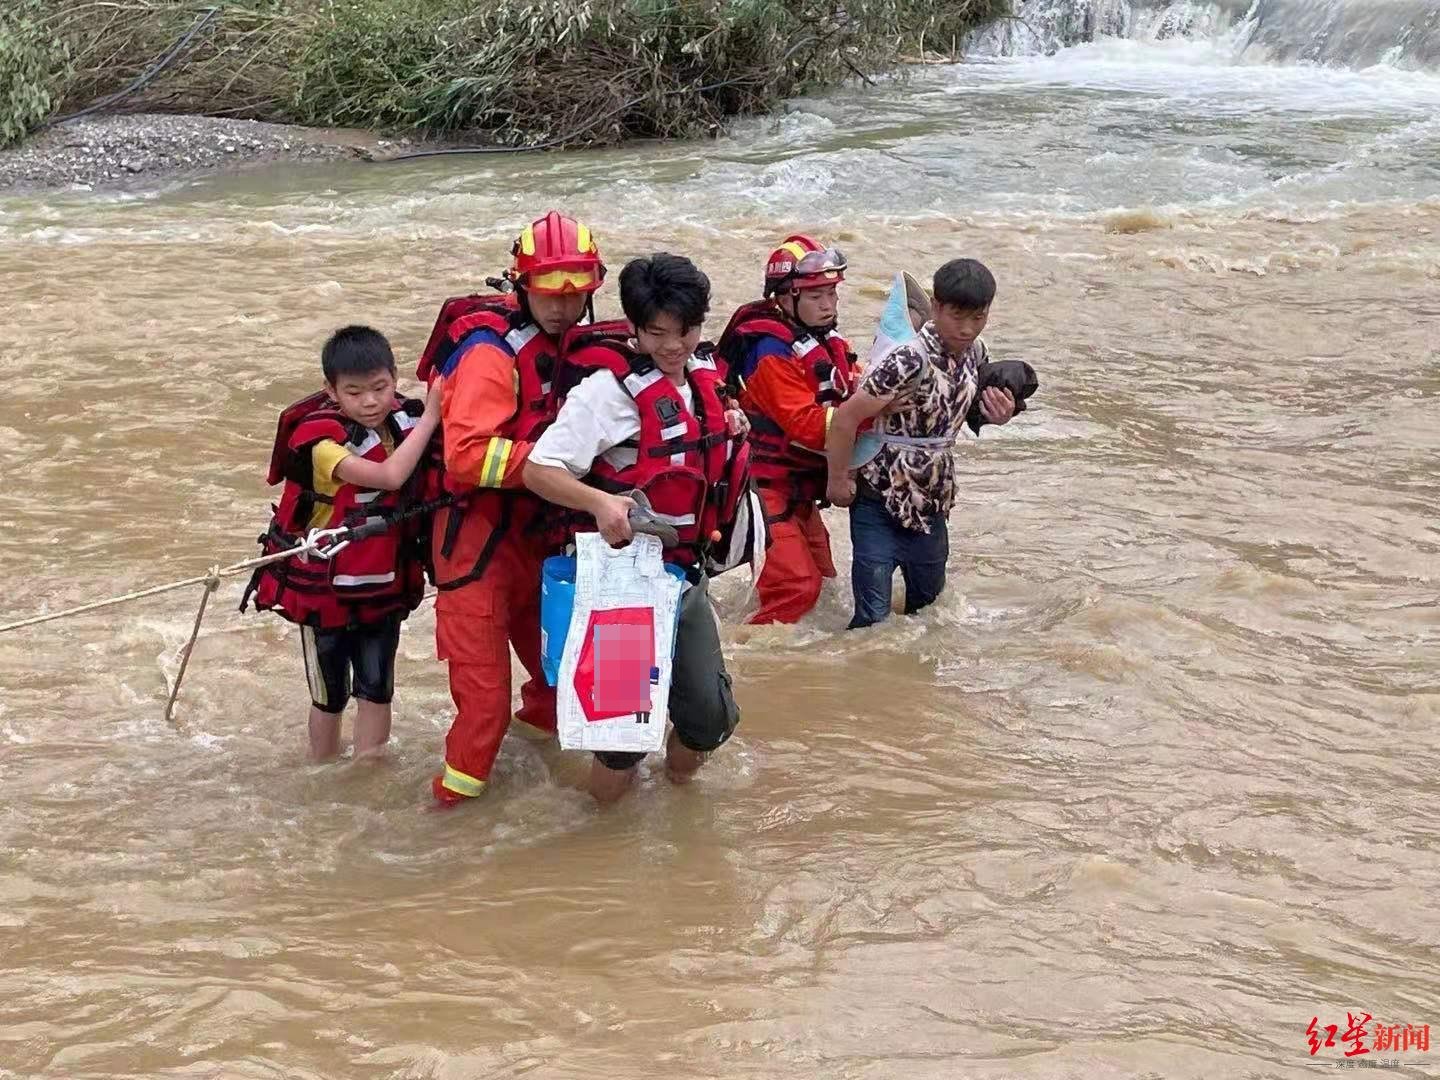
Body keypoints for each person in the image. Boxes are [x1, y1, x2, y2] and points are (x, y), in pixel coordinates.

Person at [524, 253, 759, 804]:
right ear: (634, 329)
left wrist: (729, 425)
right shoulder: (606, 394)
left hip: (685, 573)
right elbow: (539, 469)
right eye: (657, 334)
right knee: (621, 742)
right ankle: (604, 844)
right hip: (621, 582)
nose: (674, 346)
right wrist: (600, 502)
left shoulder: (704, 379)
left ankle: (680, 805)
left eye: (686, 332)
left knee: (708, 719)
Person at [418, 210, 606, 807]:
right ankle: (444, 820)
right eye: (550, 294)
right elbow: (467, 457)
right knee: (484, 713)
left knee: (558, 688)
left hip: (538, 542)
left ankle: (534, 790)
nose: (563, 307)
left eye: (576, 295)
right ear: (521, 284)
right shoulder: (487, 352)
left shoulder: (577, 345)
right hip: (474, 548)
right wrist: (561, 466)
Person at [243, 325, 442, 760]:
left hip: (383, 585)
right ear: (330, 392)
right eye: (354, 393)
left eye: (380, 388)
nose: (370, 402)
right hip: (324, 593)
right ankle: (323, 769)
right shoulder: (323, 446)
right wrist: (432, 417)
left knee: (377, 687)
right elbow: (390, 476)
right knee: (329, 696)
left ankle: (368, 774)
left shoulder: (402, 424)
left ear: (395, 378)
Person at [823, 258, 1016, 629]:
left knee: (928, 617)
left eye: (978, 318)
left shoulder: (975, 354)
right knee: (872, 625)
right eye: (957, 317)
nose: (966, 329)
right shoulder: (909, 358)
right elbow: (847, 418)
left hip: (932, 501)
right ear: (937, 307)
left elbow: (960, 411)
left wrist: (997, 414)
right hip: (878, 498)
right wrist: (837, 481)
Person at [716, 235, 857, 624]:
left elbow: (851, 385)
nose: (828, 304)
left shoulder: (823, 340)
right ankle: (751, 665)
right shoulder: (770, 352)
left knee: (827, 585)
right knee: (796, 589)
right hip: (764, 487)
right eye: (816, 296)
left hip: (795, 489)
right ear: (785, 297)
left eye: (831, 293)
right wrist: (869, 412)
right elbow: (811, 428)